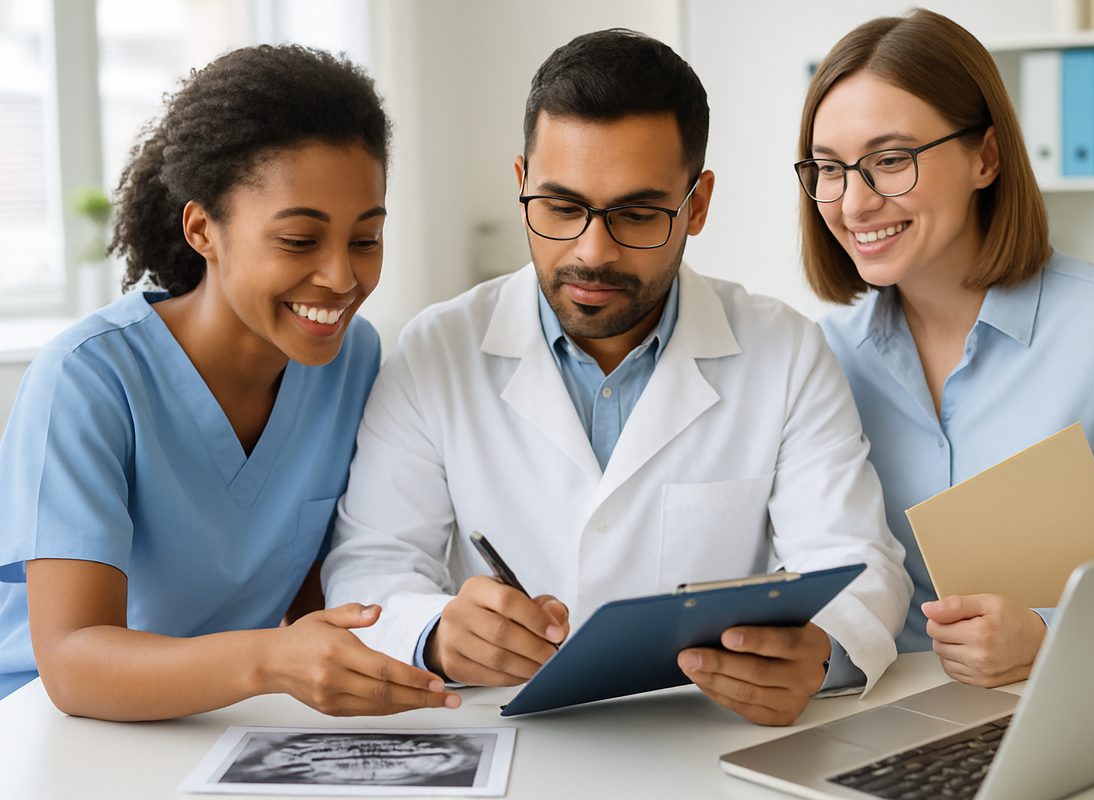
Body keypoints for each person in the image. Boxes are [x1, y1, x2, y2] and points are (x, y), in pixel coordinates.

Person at [323, 28, 910, 727]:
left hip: (698, 744)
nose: (591, 252)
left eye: (636, 214)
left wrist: (819, 655)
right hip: (504, 738)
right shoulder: (436, 352)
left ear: (697, 205)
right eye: (561, 208)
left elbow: (855, 561)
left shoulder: (784, 351)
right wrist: (437, 632)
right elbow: (370, 568)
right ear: (521, 185)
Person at [0, 45, 460, 718]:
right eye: (300, 241)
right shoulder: (89, 379)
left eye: (366, 240)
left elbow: (317, 602)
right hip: (47, 726)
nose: (341, 277)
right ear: (202, 230)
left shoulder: (349, 358)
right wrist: (273, 659)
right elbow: (72, 661)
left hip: (215, 719)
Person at [802, 9, 1094, 687]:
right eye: (829, 169)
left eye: (890, 160)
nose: (853, 203)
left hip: (1093, 707)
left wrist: (1050, 636)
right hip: (896, 718)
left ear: (984, 157)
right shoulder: (826, 358)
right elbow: (843, 586)